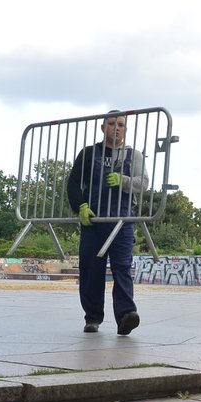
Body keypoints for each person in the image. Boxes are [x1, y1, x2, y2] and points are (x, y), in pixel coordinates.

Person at [66, 111, 149, 335]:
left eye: (121, 124)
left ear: (126, 129)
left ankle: (126, 316)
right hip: (94, 221)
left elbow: (144, 184)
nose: (117, 128)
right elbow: (73, 183)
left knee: (122, 267)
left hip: (122, 221)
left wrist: (124, 181)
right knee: (92, 270)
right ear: (103, 128)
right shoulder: (89, 153)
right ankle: (92, 318)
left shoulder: (135, 155)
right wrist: (80, 206)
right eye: (112, 124)